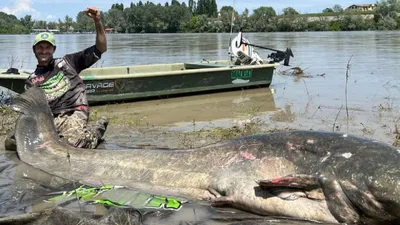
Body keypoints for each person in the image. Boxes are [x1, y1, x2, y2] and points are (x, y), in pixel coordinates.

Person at [5, 7, 108, 150]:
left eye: (48, 47)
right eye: (40, 47)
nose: (44, 51)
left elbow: (101, 48)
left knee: (73, 145)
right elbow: (33, 112)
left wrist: (97, 21)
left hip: (74, 111)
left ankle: (97, 130)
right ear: (34, 50)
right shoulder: (31, 81)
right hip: (50, 119)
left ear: (54, 49)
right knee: (14, 143)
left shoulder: (68, 62)